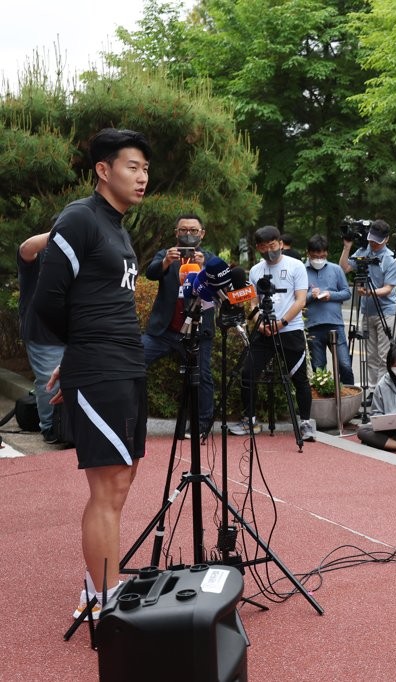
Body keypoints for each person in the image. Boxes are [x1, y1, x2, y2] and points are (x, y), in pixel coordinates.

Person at [32, 128, 151, 619]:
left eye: (146, 169)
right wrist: (78, 353)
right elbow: (47, 302)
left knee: (122, 482)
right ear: (104, 171)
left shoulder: (118, 228)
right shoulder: (79, 219)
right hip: (100, 367)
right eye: (132, 167)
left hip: (125, 364)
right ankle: (100, 598)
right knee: (108, 486)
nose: (142, 177)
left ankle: (106, 584)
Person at [230, 225, 315, 441]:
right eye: (264, 247)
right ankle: (250, 420)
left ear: (280, 243)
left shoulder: (296, 266)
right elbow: (253, 301)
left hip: (290, 329)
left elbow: (300, 299)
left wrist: (282, 322)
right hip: (264, 330)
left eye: (273, 245)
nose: (270, 250)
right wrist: (259, 322)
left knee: (299, 378)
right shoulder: (257, 270)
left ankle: (305, 423)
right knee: (248, 372)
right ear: (258, 247)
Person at [140, 212, 216, 439]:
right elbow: (151, 273)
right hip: (164, 331)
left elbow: (223, 285)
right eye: (183, 230)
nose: (188, 235)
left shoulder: (210, 258)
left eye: (193, 231)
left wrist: (205, 268)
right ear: (176, 233)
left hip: (197, 332)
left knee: (202, 376)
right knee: (134, 360)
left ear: (202, 234)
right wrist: (165, 262)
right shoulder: (166, 254)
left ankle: (202, 426)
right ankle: (134, 418)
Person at [17, 231, 66, 445]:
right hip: (41, 333)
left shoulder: (76, 259)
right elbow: (25, 248)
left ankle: (69, 426)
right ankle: (50, 428)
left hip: (71, 332)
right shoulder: (39, 256)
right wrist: (62, 231)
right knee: (49, 382)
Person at [340, 220, 396, 386]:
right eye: (371, 239)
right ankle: (374, 388)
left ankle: (383, 390)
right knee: (370, 354)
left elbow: (388, 288)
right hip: (367, 310)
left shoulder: (391, 259)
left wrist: (369, 292)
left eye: (377, 241)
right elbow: (344, 268)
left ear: (386, 239)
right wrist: (347, 247)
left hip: (386, 311)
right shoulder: (363, 251)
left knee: (384, 354)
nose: (373, 243)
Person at [305, 234, 354, 385]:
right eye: (316, 255)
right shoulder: (301, 270)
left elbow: (347, 293)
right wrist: (310, 296)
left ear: (326, 252)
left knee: (344, 364)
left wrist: (330, 295)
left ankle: (348, 397)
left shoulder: (336, 269)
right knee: (319, 369)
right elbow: (297, 299)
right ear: (309, 253)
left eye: (322, 254)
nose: (319, 258)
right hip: (313, 326)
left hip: (335, 324)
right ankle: (325, 400)